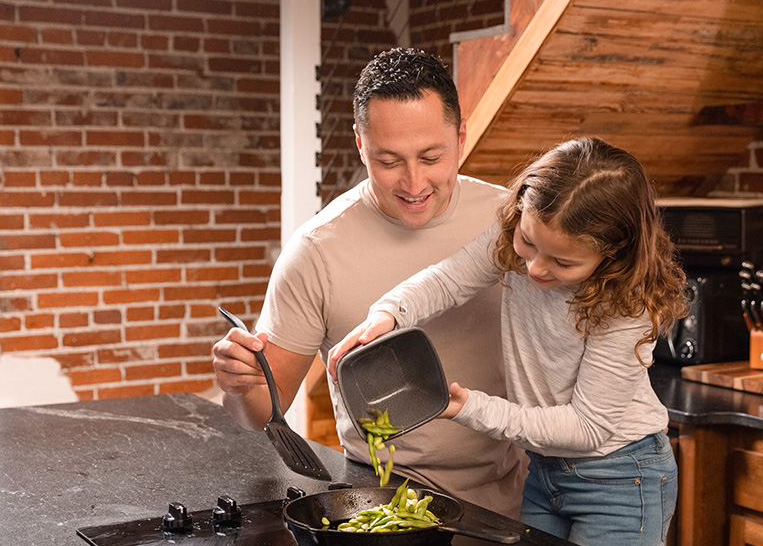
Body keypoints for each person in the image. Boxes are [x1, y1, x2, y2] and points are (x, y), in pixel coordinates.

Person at [328, 137, 688, 546]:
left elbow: (588, 428)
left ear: (613, 255)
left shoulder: (626, 307)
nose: (535, 267)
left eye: (563, 262)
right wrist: (386, 314)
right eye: (527, 242)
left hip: (622, 478)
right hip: (544, 469)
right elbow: (446, 281)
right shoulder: (511, 245)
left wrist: (468, 408)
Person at [211, 47, 528, 518]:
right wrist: (238, 386)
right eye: (388, 160)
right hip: (383, 499)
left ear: (460, 137)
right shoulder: (317, 250)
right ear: (360, 144)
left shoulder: (515, 223)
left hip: (521, 497)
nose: (414, 182)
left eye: (432, 156)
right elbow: (263, 412)